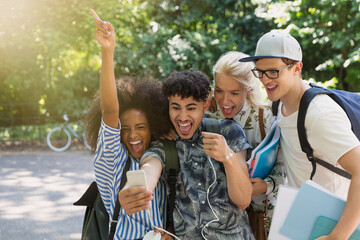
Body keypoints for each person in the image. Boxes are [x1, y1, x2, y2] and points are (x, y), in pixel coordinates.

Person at [239, 30, 360, 240]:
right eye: (260, 72)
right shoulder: (280, 104)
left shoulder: (319, 114)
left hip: (332, 226)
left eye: (273, 72)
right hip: (302, 222)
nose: (265, 80)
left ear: (297, 68)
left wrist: (337, 236)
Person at [122, 69, 255, 239]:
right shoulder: (165, 145)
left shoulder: (229, 132)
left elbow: (243, 200)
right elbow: (149, 168)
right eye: (175, 108)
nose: (183, 117)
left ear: (205, 105)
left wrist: (227, 157)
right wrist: (134, 189)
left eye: (191, 108)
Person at [87, 9, 173, 239]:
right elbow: (110, 109)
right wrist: (107, 51)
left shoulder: (162, 158)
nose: (133, 135)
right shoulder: (114, 160)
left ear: (153, 126)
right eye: (125, 129)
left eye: (141, 127)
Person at [208, 51, 286, 232]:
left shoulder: (266, 118)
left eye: (234, 93)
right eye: (218, 91)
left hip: (260, 218)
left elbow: (286, 168)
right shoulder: (208, 117)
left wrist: (265, 185)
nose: (224, 101)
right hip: (221, 221)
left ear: (249, 89)